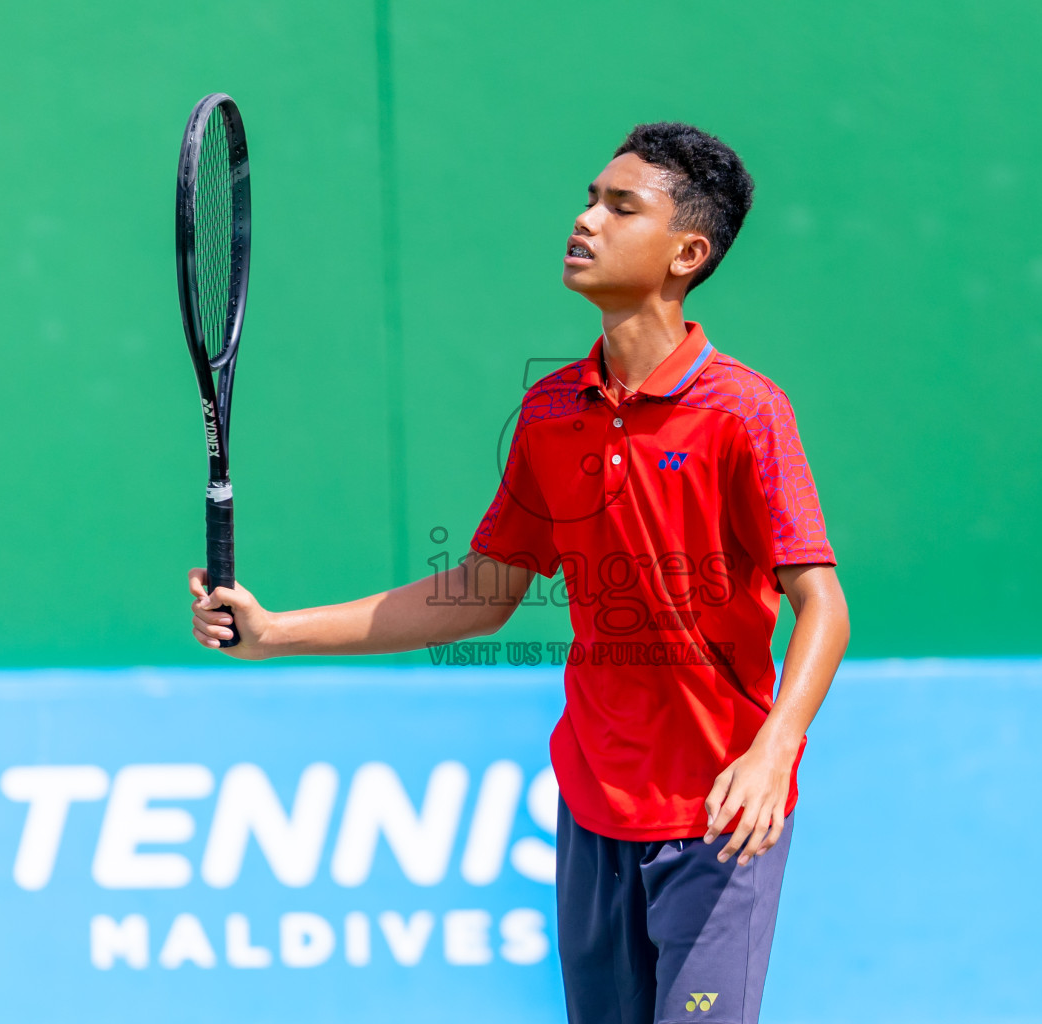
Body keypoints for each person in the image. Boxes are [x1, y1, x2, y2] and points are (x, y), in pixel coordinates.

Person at [188, 121, 850, 1024]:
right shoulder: (550, 411)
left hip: (720, 814)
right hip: (593, 805)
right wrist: (278, 633)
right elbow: (486, 591)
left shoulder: (745, 411)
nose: (585, 220)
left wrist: (775, 750)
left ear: (686, 253)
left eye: (621, 207)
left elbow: (822, 606)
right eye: (589, 198)